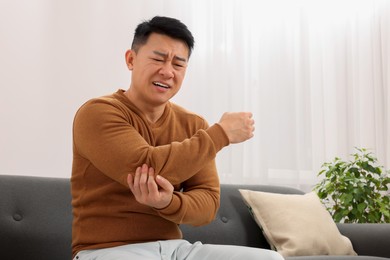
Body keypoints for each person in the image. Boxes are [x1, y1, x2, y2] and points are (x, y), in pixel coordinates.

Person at [71, 16, 284, 260]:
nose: (168, 71)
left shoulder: (193, 125)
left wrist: (166, 203)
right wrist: (221, 134)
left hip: (175, 249)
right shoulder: (97, 112)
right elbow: (145, 166)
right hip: (107, 251)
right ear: (131, 59)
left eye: (178, 64)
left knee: (270, 259)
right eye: (158, 59)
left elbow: (207, 204)